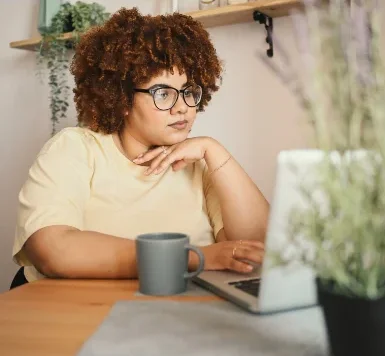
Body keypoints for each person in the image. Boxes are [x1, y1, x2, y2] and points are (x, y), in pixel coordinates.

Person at [11, 8, 269, 285]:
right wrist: (195, 256)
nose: (182, 107)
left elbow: (255, 249)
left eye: (189, 91)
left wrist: (215, 150)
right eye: (163, 93)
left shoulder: (200, 164)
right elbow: (53, 249)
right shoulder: (75, 149)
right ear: (121, 98)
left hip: (178, 313)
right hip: (80, 314)